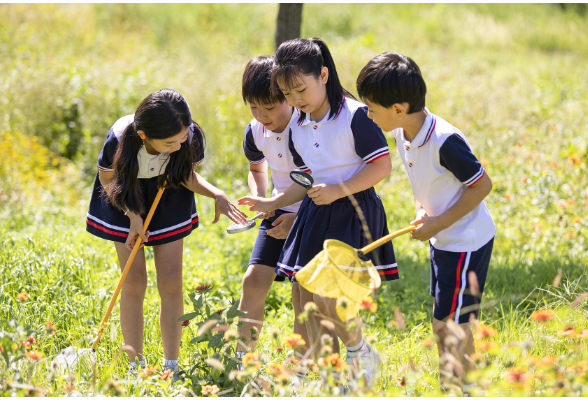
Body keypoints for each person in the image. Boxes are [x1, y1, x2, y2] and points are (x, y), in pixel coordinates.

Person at [239, 38, 398, 386]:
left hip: (352, 210)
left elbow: (382, 166)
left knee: (328, 297)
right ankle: (324, 372)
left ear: (323, 74)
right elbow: (307, 178)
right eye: (288, 93)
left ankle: (361, 354)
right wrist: (272, 203)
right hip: (316, 211)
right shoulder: (300, 123)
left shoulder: (356, 116)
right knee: (305, 296)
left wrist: (339, 190)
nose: (296, 101)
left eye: (300, 90)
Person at [356, 52, 496, 385]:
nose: (368, 115)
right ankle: (459, 380)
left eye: (372, 109)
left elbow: (482, 186)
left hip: (465, 241)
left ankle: (461, 384)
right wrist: (423, 212)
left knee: (452, 323)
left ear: (398, 109)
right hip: (442, 236)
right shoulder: (403, 132)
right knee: (445, 319)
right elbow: (425, 183)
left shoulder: (444, 141)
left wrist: (439, 222)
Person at [86, 89, 247, 373]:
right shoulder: (120, 137)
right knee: (134, 280)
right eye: (170, 142)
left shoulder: (187, 135)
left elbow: (185, 175)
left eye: (182, 138)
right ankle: (136, 365)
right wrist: (132, 214)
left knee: (172, 280)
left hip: (168, 192)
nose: (178, 145)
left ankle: (170, 367)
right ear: (145, 135)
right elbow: (107, 179)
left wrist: (217, 194)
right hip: (125, 194)